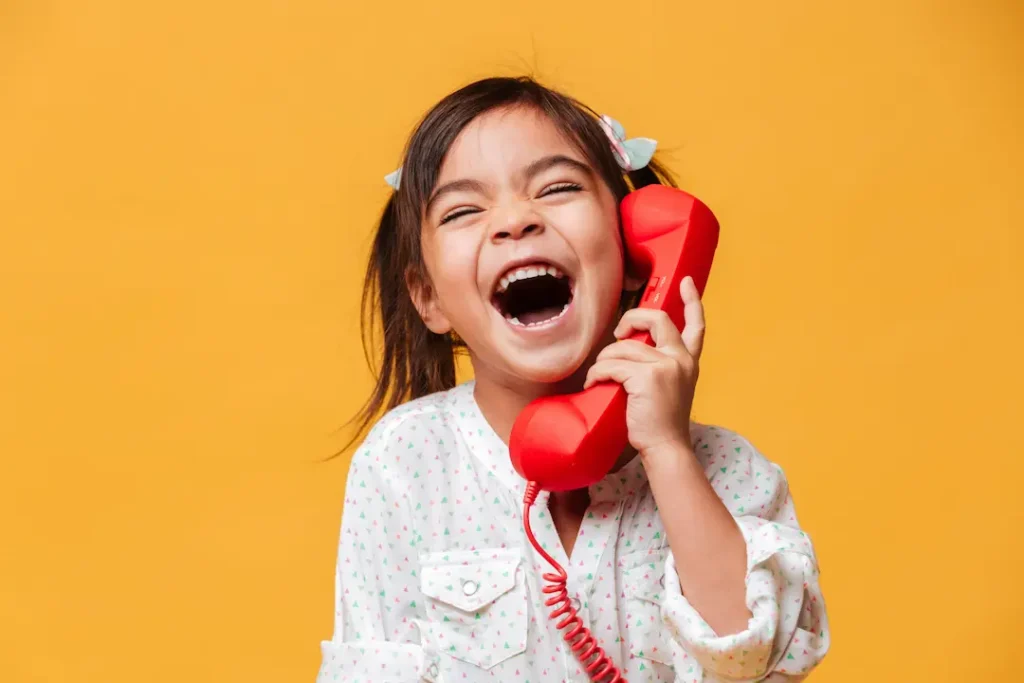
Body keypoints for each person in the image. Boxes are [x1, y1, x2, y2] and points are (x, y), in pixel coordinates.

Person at [317, 76, 829, 683]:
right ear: (428, 297)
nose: (515, 222)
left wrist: (667, 453)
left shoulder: (730, 470)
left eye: (557, 188)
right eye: (463, 210)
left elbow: (751, 661)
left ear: (636, 253)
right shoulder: (405, 464)